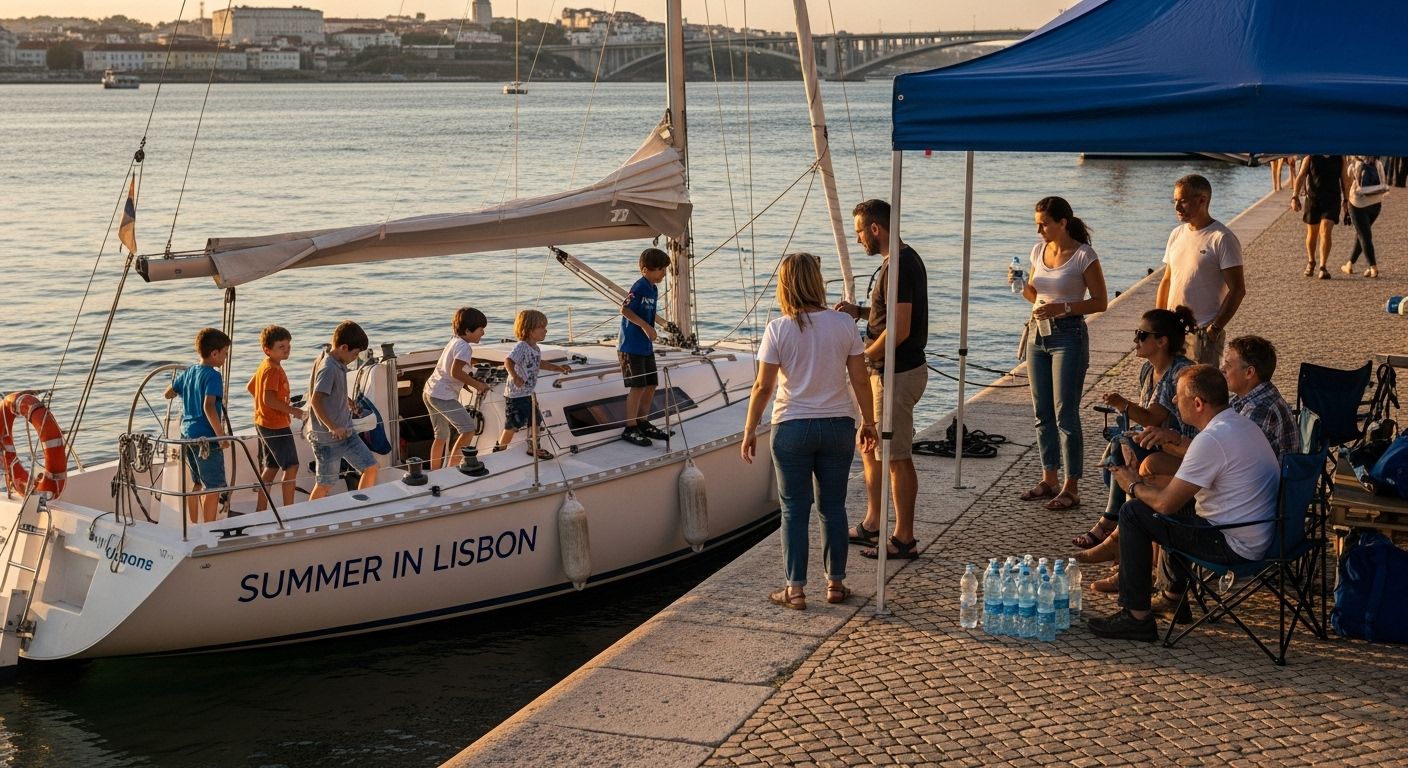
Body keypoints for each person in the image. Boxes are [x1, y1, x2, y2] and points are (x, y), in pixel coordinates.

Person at [1090, 365, 1280, 641]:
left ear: (1198, 403)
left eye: (1178, 397)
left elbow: (1165, 504)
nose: (1174, 402)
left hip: (1233, 544)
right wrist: (1174, 441)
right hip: (1259, 532)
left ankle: (1136, 616)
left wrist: (1131, 483)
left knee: (1133, 512)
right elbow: (1207, 459)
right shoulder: (1238, 424)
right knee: (1177, 500)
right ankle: (1172, 597)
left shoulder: (1212, 439)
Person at [742, 252, 878, 610]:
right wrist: (870, 422)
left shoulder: (778, 328)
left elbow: (762, 388)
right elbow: (861, 379)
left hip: (791, 427)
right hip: (837, 426)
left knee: (793, 510)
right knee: (833, 506)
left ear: (784, 285)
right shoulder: (844, 324)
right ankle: (835, 584)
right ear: (817, 282)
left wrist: (750, 429)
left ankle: (796, 590)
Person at [834, 199, 930, 561]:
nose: (858, 238)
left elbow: (900, 329)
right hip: (886, 373)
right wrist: (859, 312)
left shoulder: (901, 265)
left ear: (876, 229)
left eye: (859, 231)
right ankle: (874, 522)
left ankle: (904, 537)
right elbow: (888, 316)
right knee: (871, 446)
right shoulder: (897, 262)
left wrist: (861, 356)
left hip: (896, 374)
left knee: (896, 457)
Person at [1072, 307, 1197, 584]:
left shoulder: (1179, 373)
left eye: (1142, 335)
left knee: (1125, 451)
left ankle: (1111, 526)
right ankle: (1117, 532)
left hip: (1180, 448)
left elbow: (1155, 416)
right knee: (1123, 446)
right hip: (1157, 443)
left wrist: (1123, 404)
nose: (1136, 341)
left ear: (1162, 341)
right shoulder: (1147, 370)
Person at [1013, 196, 1108, 511]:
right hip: (1038, 336)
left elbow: (1100, 302)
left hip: (1069, 336)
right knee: (1042, 413)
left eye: (1044, 223)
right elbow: (1035, 295)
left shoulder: (1083, 256)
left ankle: (1072, 486)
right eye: (1037, 224)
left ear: (1062, 222)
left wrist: (1062, 308)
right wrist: (1021, 285)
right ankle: (1049, 478)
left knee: (1065, 413)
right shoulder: (1038, 251)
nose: (1039, 229)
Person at [1157, 174, 1245, 366]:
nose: (1177, 207)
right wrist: (1158, 321)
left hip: (1203, 332)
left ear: (1202, 200)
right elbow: (1167, 280)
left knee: (1199, 392)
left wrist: (1214, 329)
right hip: (1173, 331)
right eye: (1175, 201)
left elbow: (1238, 289)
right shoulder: (1176, 234)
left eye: (1183, 201)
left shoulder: (1221, 238)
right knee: (1171, 391)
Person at [164, 327, 231, 524]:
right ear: (214, 353)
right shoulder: (213, 376)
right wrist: (221, 436)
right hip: (206, 438)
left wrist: (184, 391)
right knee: (214, 486)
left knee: (197, 483)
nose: (225, 359)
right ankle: (208, 528)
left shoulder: (189, 372)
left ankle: (194, 524)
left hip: (187, 435)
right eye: (225, 354)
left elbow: (168, 393)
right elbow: (209, 406)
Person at [307, 321, 380, 500]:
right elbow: (315, 400)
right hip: (328, 438)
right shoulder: (328, 367)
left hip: (346, 432)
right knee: (325, 484)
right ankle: (310, 517)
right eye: (355, 354)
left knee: (371, 467)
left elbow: (331, 391)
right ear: (344, 347)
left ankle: (362, 505)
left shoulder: (338, 363)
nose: (355, 358)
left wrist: (347, 401)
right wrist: (332, 426)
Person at [497, 309, 572, 459]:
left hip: (528, 393)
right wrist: (515, 376)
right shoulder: (522, 347)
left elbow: (539, 364)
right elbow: (508, 361)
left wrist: (559, 368)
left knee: (536, 421)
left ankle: (534, 448)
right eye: (542, 327)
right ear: (530, 331)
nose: (546, 330)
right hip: (516, 394)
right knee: (513, 424)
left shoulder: (535, 348)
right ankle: (499, 449)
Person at [246, 325, 306, 510]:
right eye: (281, 346)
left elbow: (251, 387)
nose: (287, 349)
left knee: (271, 467)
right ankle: (289, 510)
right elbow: (268, 398)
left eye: (288, 345)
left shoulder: (266, 365)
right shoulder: (273, 370)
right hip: (276, 425)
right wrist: (292, 410)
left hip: (263, 422)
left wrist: (262, 409)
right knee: (292, 466)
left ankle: (261, 510)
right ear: (267, 349)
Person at [423, 307, 490, 469]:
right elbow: (455, 371)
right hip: (443, 396)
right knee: (468, 429)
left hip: (430, 392)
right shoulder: (465, 347)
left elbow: (450, 370)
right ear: (468, 331)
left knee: (441, 435)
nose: (483, 333)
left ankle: (435, 470)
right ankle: (453, 467)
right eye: (481, 330)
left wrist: (465, 383)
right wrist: (478, 385)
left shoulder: (454, 341)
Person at [619, 247, 673, 447]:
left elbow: (648, 312)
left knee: (651, 384)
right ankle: (630, 426)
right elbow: (625, 309)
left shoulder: (653, 288)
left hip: (645, 346)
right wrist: (645, 326)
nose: (663, 274)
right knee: (638, 386)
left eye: (664, 270)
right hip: (631, 345)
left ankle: (643, 421)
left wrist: (656, 326)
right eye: (660, 270)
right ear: (645, 270)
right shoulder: (640, 287)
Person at [1222, 335, 1300, 458]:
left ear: (1249, 372)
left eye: (1228, 365)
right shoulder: (1245, 398)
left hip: (1264, 476)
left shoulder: (1261, 408)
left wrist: (1180, 443)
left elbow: (1230, 456)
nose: (1222, 369)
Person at [1291, 154, 1347, 280]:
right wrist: (1295, 197)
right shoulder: (1310, 157)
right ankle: (1311, 261)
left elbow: (1345, 179)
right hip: (1313, 200)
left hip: (1332, 200)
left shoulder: (1339, 158)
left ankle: (1323, 266)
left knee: (1326, 230)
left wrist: (1346, 200)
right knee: (1312, 234)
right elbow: (1300, 177)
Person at [1340, 155, 1390, 279]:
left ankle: (1373, 267)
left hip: (1358, 204)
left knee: (1364, 236)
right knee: (1362, 234)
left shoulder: (1354, 161)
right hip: (1376, 203)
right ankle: (1349, 264)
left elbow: (1347, 177)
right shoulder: (1377, 161)